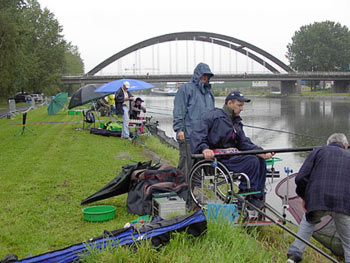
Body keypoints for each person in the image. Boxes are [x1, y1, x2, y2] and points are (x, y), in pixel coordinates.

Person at [190, 91, 274, 206]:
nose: (242, 108)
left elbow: (243, 143)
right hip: (216, 159)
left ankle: (257, 196)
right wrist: (204, 149)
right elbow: (197, 134)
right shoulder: (213, 116)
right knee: (252, 161)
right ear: (230, 103)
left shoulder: (236, 122)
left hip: (231, 156)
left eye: (242, 105)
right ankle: (245, 193)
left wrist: (261, 152)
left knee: (260, 160)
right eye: (239, 105)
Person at [286, 133, 350, 263]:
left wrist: (305, 198)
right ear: (345, 146)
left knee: (308, 222)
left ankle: (294, 256)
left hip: (317, 202)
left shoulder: (319, 151)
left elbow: (300, 178)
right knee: (348, 241)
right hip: (343, 205)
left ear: (328, 143)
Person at [173, 62, 215, 177]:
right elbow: (179, 109)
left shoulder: (209, 93)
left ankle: (193, 192)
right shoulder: (186, 89)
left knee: (199, 167)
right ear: (197, 74)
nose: (205, 78)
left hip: (203, 138)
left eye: (207, 76)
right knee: (186, 166)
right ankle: (182, 191)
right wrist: (179, 129)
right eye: (203, 75)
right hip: (188, 135)